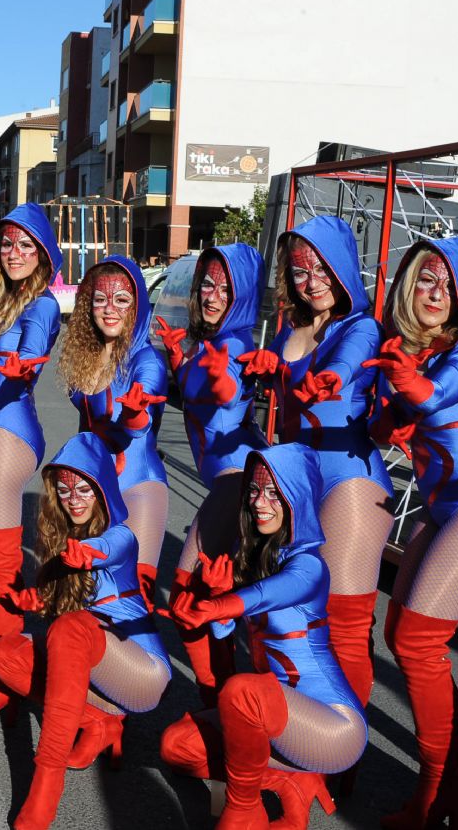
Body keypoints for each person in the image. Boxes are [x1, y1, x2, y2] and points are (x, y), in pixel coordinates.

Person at [363, 237, 458, 828]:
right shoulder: (408, 352)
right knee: (402, 633)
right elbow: (385, 426)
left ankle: (441, 790)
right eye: (427, 280)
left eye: (450, 287)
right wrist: (335, 398)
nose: (435, 294)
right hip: (441, 506)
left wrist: (405, 387)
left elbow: (432, 397)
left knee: (420, 642)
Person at [0, 433, 170, 830]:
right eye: (65, 490)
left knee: (70, 627)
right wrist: (36, 602)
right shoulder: (63, 538)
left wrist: (87, 553)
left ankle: (45, 783)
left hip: (142, 671)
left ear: (103, 490)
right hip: (96, 657)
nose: (74, 499)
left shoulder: (120, 534)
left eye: (84, 488)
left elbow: (110, 549)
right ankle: (98, 722)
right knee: (5, 654)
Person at [158, 444, 364, 830]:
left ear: (296, 497)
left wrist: (223, 604)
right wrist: (216, 601)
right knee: (176, 745)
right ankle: (291, 780)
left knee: (241, 690)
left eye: (273, 491)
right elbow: (227, 626)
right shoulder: (257, 557)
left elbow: (271, 593)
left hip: (332, 727)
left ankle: (243, 810)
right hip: (270, 715)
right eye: (254, 490)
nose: (259, 502)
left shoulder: (309, 565)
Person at [238, 216, 392, 711]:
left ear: (343, 269)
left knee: (345, 624)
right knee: (297, 611)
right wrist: (263, 368)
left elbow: (345, 365)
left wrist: (314, 377)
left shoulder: (361, 326)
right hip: (297, 481)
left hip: (349, 480)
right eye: (302, 271)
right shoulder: (291, 327)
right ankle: (303, 731)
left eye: (323, 268)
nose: (312, 281)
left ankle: (342, 754)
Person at [156, 243, 267, 706]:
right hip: (227, 481)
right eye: (207, 283)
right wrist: (179, 359)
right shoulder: (210, 342)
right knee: (214, 600)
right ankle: (224, 703)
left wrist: (221, 379)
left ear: (242, 296)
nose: (213, 295)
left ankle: (222, 702)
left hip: (236, 482)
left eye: (226, 288)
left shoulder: (236, 343)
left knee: (189, 597)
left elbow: (226, 390)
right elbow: (202, 390)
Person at [0, 203, 61, 658]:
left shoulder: (39, 304)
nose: (14, 252)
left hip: (7, 432)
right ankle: (5, 659)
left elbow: (31, 354)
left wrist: (13, 367)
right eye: (7, 243)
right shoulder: (4, 302)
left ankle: (4, 671)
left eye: (25, 244)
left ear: (42, 254)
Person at [56, 255, 168, 607]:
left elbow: (141, 422)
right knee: (86, 599)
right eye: (100, 299)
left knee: (132, 601)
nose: (109, 309)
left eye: (121, 300)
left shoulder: (145, 360)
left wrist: (134, 413)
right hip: (93, 493)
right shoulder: (89, 354)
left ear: (138, 306)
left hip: (137, 487)